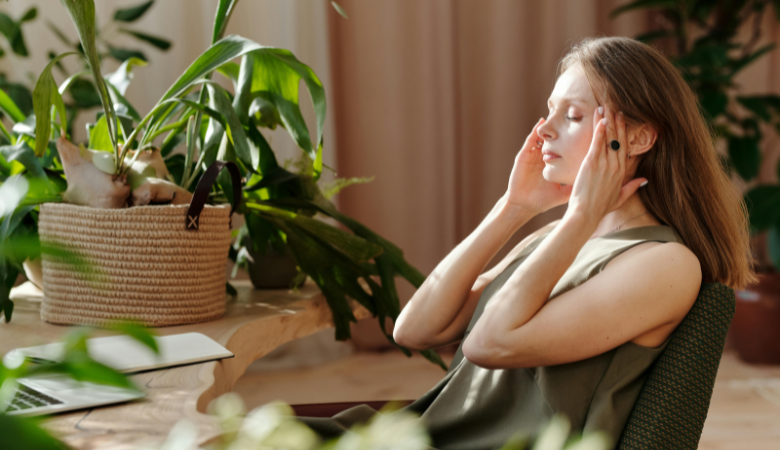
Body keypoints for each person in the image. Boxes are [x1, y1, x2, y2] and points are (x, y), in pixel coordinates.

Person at [296, 36, 757, 450]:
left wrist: (579, 217)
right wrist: (513, 207)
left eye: (572, 116)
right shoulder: (558, 238)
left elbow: (489, 343)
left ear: (636, 138)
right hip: (413, 435)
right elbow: (414, 330)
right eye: (550, 110)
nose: (544, 130)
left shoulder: (664, 264)